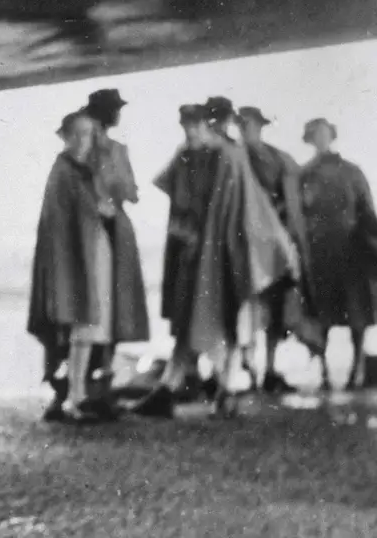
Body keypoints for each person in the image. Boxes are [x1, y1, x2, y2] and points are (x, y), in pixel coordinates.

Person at [136, 104, 298, 419]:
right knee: (195, 318)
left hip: (223, 253)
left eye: (196, 126)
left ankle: (218, 388)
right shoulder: (193, 155)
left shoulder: (228, 156)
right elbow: (183, 200)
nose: (190, 133)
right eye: (186, 127)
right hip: (201, 253)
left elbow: (242, 208)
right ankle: (182, 387)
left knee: (224, 316)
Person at [28, 111, 148, 423]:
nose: (83, 141)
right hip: (79, 260)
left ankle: (78, 394)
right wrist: (99, 211)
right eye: (78, 134)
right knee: (83, 326)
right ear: (66, 137)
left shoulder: (82, 169)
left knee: (90, 326)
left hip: (92, 256)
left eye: (88, 134)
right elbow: (63, 219)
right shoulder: (65, 170)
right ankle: (74, 396)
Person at [238, 106, 324, 393]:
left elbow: (297, 198)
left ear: (261, 127)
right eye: (243, 125)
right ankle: (249, 370)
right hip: (245, 244)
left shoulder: (279, 158)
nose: (247, 130)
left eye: (252, 125)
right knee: (246, 310)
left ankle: (270, 370)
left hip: (276, 246)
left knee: (276, 309)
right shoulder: (235, 157)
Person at [76, 89, 150, 402]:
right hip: (108, 226)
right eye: (116, 109)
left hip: (112, 227)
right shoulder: (105, 149)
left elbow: (130, 192)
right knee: (106, 304)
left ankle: (95, 378)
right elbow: (130, 192)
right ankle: (97, 376)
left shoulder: (104, 148)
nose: (119, 114)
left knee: (111, 304)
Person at [299, 118, 377, 390]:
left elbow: (367, 209)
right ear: (309, 140)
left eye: (324, 134)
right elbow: (295, 213)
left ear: (332, 136)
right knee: (321, 315)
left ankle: (357, 369)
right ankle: (323, 372)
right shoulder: (304, 175)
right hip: (318, 253)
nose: (321, 139)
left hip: (350, 250)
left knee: (357, 314)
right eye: (315, 135)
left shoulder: (352, 172)